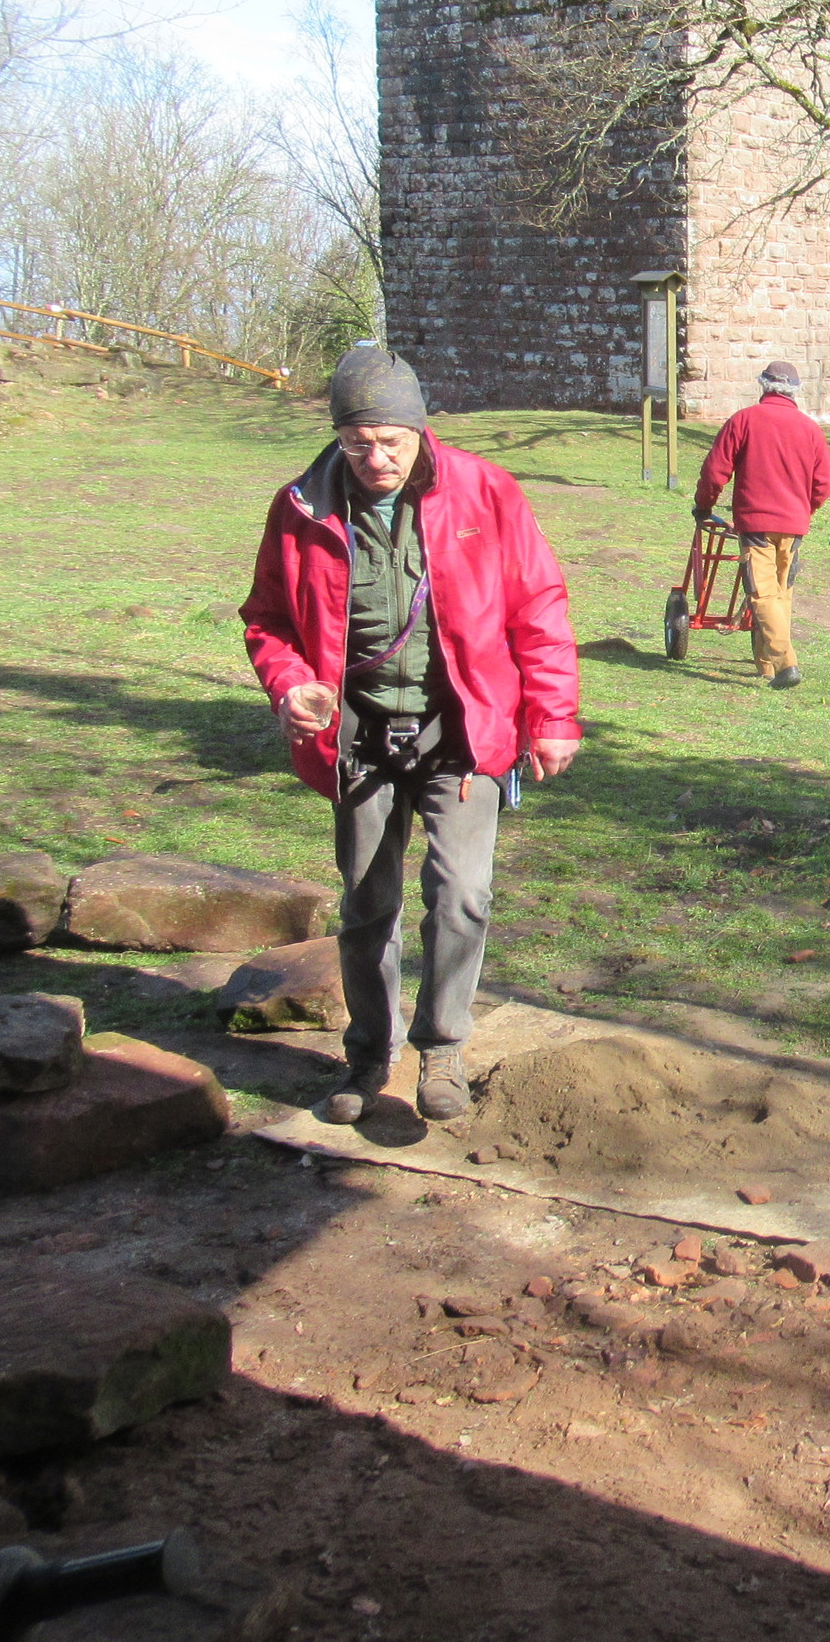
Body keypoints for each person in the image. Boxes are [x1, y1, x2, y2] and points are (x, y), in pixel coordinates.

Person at [240, 342, 581, 1125]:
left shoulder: (485, 492)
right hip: (356, 737)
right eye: (358, 443)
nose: (377, 459)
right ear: (338, 436)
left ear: (420, 431)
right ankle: (368, 1057)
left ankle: (444, 1047)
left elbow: (539, 605)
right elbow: (267, 618)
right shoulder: (300, 507)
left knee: (461, 894)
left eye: (391, 441)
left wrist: (553, 717)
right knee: (367, 906)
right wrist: (289, 684)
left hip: (463, 729)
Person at [694, 359, 830, 688]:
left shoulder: (744, 420)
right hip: (794, 525)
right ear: (794, 391)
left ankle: (785, 664)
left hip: (756, 523)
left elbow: (715, 472)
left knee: (762, 594)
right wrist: (804, 509)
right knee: (781, 593)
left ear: (763, 385)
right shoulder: (810, 429)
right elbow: (824, 483)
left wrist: (703, 506)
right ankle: (766, 666)